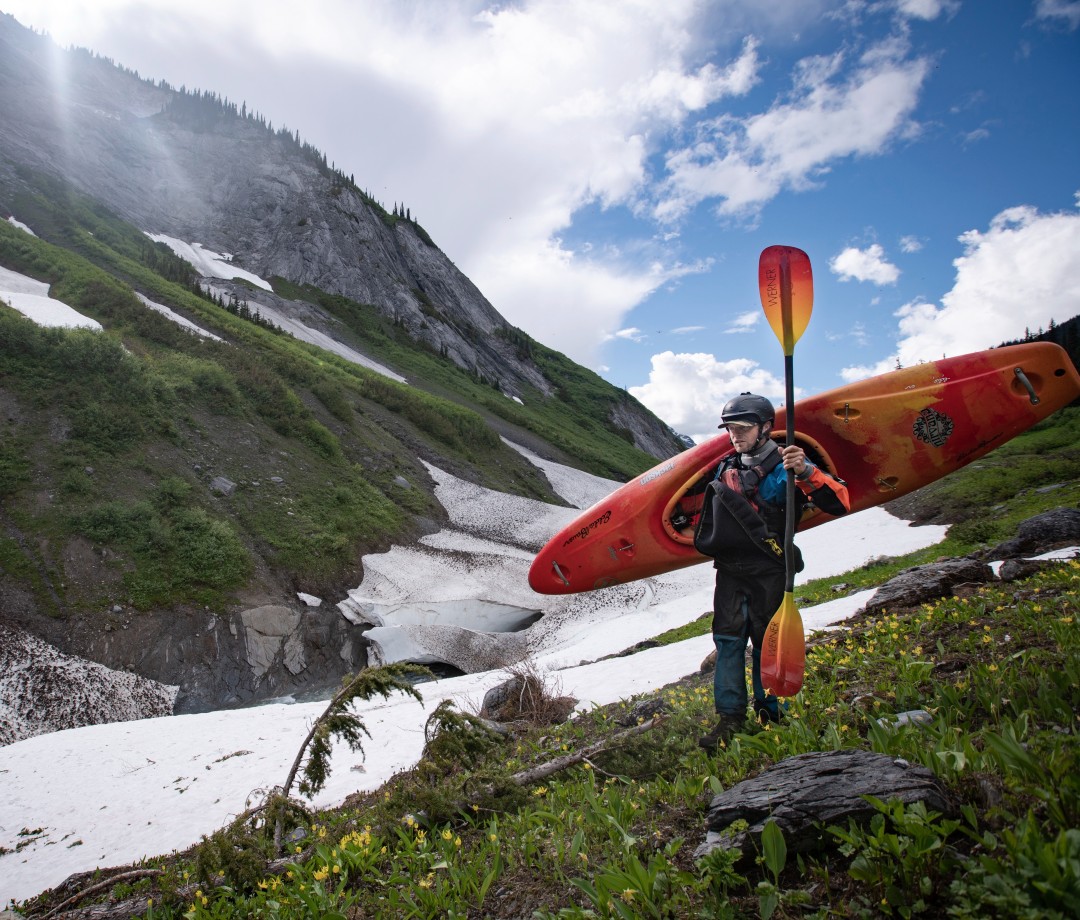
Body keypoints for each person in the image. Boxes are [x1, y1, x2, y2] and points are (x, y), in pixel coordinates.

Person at [695, 393, 850, 748]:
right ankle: (730, 720)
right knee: (728, 643)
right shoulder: (726, 467)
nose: (735, 434)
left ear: (766, 428)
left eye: (743, 428)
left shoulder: (786, 467)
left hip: (769, 569)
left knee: (769, 643)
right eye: (731, 428)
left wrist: (807, 471)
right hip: (731, 572)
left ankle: (771, 715)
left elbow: (839, 501)